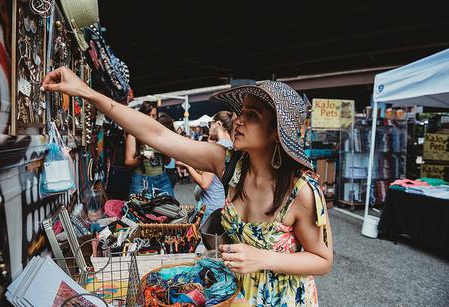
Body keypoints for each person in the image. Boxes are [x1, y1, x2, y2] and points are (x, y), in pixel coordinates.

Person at [42, 67, 333, 306]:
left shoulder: (302, 190)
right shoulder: (228, 164)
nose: (238, 120)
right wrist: (86, 91)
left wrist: (264, 258)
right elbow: (157, 134)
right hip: (232, 294)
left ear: (276, 133)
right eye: (241, 112)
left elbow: (322, 260)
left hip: (282, 298)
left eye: (253, 115)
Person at [177, 111, 234, 225]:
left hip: (211, 206)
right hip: (228, 206)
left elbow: (204, 183)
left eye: (210, 124)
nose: (209, 127)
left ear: (217, 123)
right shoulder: (233, 147)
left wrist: (188, 166)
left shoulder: (215, 149)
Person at [124, 102, 174, 196]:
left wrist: (167, 152)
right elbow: (128, 163)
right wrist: (141, 157)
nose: (151, 118)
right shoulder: (134, 134)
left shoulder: (160, 134)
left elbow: (167, 162)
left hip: (162, 179)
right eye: (148, 115)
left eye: (154, 115)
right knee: (139, 209)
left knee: (171, 208)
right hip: (141, 180)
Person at [158, 112, 178, 188]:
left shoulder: (162, 138)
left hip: (165, 170)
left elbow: (167, 161)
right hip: (171, 170)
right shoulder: (175, 136)